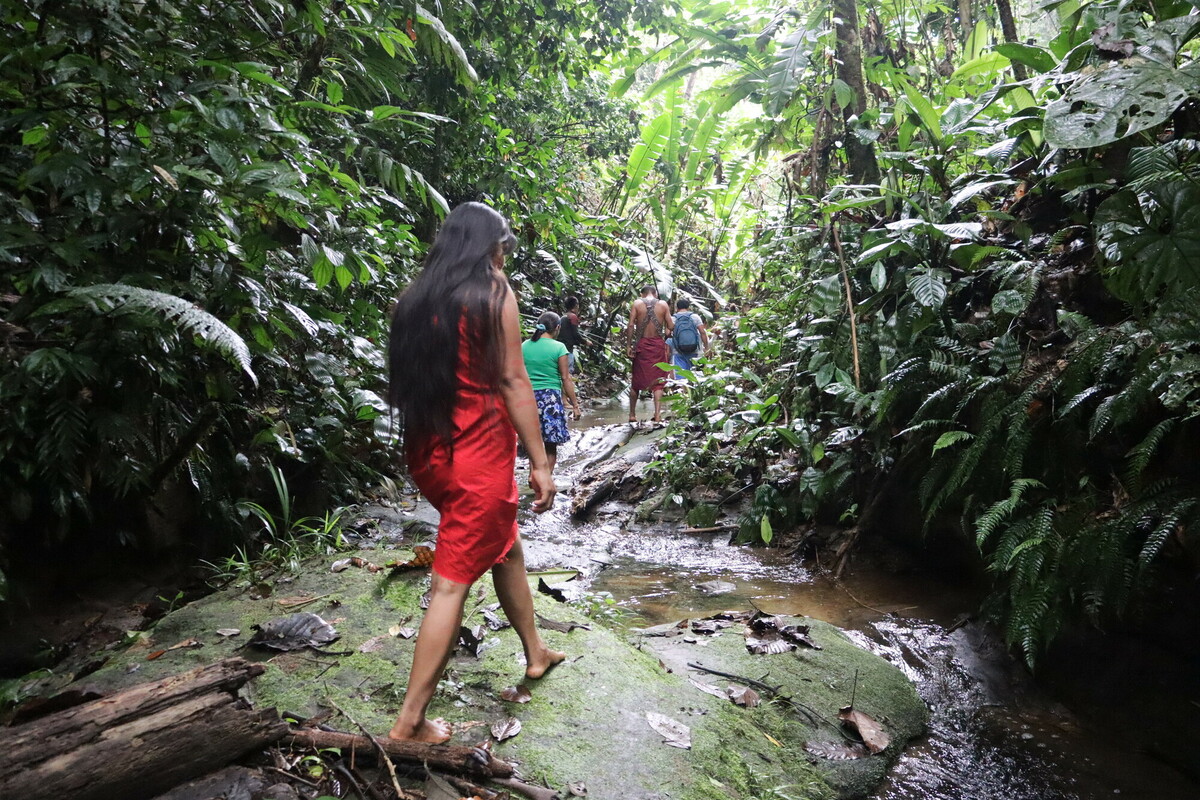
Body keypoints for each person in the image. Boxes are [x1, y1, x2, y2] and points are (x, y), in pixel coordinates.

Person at [386, 202, 565, 744]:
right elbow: (512, 380)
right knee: (450, 585)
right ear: (489, 246)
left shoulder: (415, 297)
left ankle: (535, 652)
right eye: (503, 245)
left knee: (504, 544)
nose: (504, 255)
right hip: (479, 454)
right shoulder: (492, 294)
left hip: (430, 453)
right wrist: (539, 461)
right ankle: (410, 722)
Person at [521, 310, 581, 474]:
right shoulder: (559, 347)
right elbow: (565, 378)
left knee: (534, 443)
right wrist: (575, 405)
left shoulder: (524, 346)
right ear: (557, 328)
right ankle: (545, 480)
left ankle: (533, 477)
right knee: (550, 447)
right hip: (550, 400)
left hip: (527, 398)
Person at [625, 285, 673, 423]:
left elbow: (630, 325)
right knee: (658, 382)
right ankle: (657, 415)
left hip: (642, 346)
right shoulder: (663, 304)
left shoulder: (637, 304)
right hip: (658, 346)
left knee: (636, 381)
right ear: (655, 293)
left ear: (642, 293)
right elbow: (670, 326)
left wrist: (629, 345)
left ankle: (632, 415)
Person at [669, 297, 709, 378]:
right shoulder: (695, 317)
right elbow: (702, 332)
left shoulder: (673, 318)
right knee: (695, 376)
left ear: (677, 307)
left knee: (681, 377)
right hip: (694, 350)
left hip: (678, 352)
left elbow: (667, 333)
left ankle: (683, 390)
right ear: (688, 307)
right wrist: (706, 347)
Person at [557, 296, 584, 374]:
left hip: (560, 349)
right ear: (576, 305)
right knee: (567, 373)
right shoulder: (572, 317)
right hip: (567, 350)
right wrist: (585, 342)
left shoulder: (563, 317)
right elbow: (576, 334)